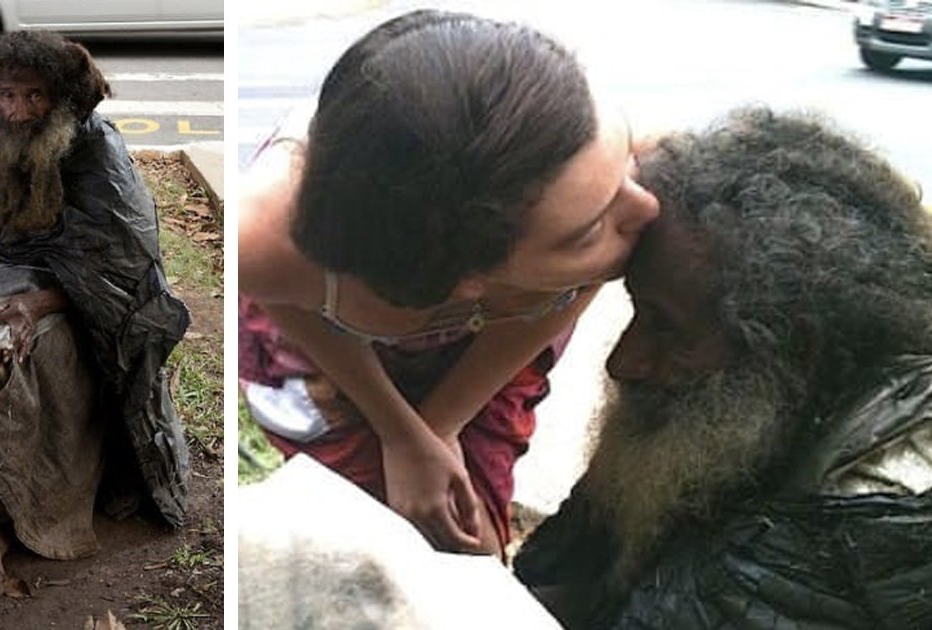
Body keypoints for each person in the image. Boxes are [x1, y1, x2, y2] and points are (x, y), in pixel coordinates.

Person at [514, 107, 932, 628]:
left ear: (795, 347)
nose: (624, 361)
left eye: (666, 328)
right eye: (638, 311)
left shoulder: (876, 503)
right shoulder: (736, 408)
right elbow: (562, 578)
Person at [239, 9, 659, 557]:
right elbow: (286, 302)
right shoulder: (269, 240)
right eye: (586, 232)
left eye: (624, 161)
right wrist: (398, 433)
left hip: (496, 349)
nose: (648, 208)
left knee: (470, 545)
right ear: (470, 280)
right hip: (334, 352)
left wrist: (438, 428)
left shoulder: (598, 174)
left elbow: (566, 292)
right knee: (368, 543)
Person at [0, 31, 190, 606]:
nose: (15, 112)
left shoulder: (99, 157)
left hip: (73, 308)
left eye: (32, 97)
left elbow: (121, 273)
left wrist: (36, 303)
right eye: (5, 96)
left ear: (62, 99)